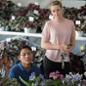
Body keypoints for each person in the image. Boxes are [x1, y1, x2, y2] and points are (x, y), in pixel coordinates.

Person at [41, 0, 76, 79]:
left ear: (62, 9)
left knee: (66, 83)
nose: (56, 13)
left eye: (58, 10)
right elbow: (43, 44)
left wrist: (69, 48)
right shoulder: (49, 24)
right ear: (51, 12)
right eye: (53, 11)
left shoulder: (70, 23)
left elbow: (73, 42)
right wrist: (59, 47)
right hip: (50, 60)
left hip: (65, 60)